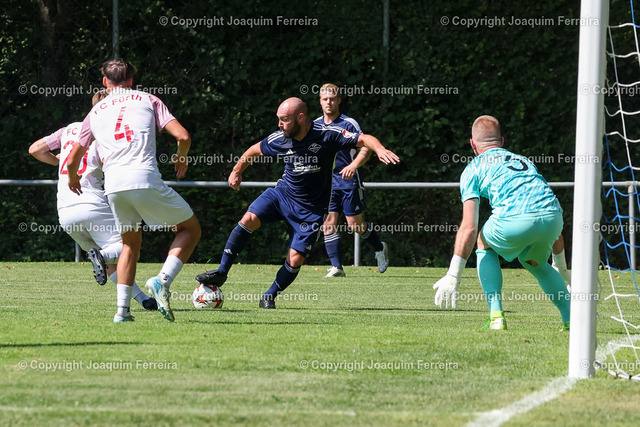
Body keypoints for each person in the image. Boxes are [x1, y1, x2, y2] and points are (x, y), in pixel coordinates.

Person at [196, 97, 399, 308]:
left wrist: (380, 149)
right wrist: (236, 171)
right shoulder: (280, 138)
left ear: (300, 118)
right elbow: (254, 150)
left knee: (295, 259)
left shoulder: (327, 135)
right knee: (248, 219)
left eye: (284, 119)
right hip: (283, 195)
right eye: (279, 119)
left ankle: (269, 295)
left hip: (312, 209)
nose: (279, 124)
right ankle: (222, 272)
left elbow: (364, 139)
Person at [66, 58, 201, 323]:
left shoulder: (96, 111)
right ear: (130, 80)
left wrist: (73, 179)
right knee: (190, 229)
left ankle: (122, 312)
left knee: (129, 245)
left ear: (105, 82)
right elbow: (183, 136)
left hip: (114, 186)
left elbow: (72, 160)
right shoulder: (148, 99)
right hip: (144, 178)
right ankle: (162, 280)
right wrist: (181, 156)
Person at [433, 115, 570, 330]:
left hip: (518, 221)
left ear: (472, 144)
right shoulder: (523, 161)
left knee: (482, 240)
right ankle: (571, 320)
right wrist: (562, 268)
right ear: (502, 141)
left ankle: (496, 317)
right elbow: (544, 207)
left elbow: (469, 227)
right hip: (554, 218)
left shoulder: (473, 168)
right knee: (533, 261)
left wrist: (453, 275)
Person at [28, 89, 156, 312]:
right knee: (130, 248)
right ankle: (101, 255)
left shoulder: (70, 129)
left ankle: (143, 300)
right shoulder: (107, 132)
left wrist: (60, 162)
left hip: (66, 212)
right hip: (91, 204)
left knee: (109, 263)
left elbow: (35, 149)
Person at [315, 83, 388, 277]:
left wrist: (353, 165)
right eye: (325, 99)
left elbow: (366, 147)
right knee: (328, 222)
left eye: (332, 99)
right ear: (320, 102)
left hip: (348, 182)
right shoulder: (314, 126)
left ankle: (379, 247)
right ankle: (337, 267)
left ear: (339, 100)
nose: (329, 102)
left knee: (355, 225)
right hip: (327, 184)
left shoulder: (349, 123)